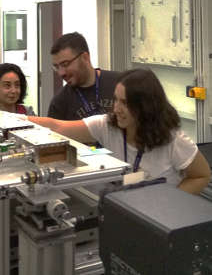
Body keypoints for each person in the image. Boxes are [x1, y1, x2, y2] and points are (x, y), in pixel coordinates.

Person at [26, 68, 211, 195]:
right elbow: (58, 127)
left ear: (145, 106)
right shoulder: (108, 126)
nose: (117, 109)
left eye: (125, 103)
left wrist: (169, 203)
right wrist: (9, 119)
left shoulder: (173, 139)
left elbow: (202, 175)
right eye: (116, 100)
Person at [47, 32, 120, 120]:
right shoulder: (59, 103)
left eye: (65, 64)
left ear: (85, 58)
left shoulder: (120, 84)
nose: (61, 73)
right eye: (56, 67)